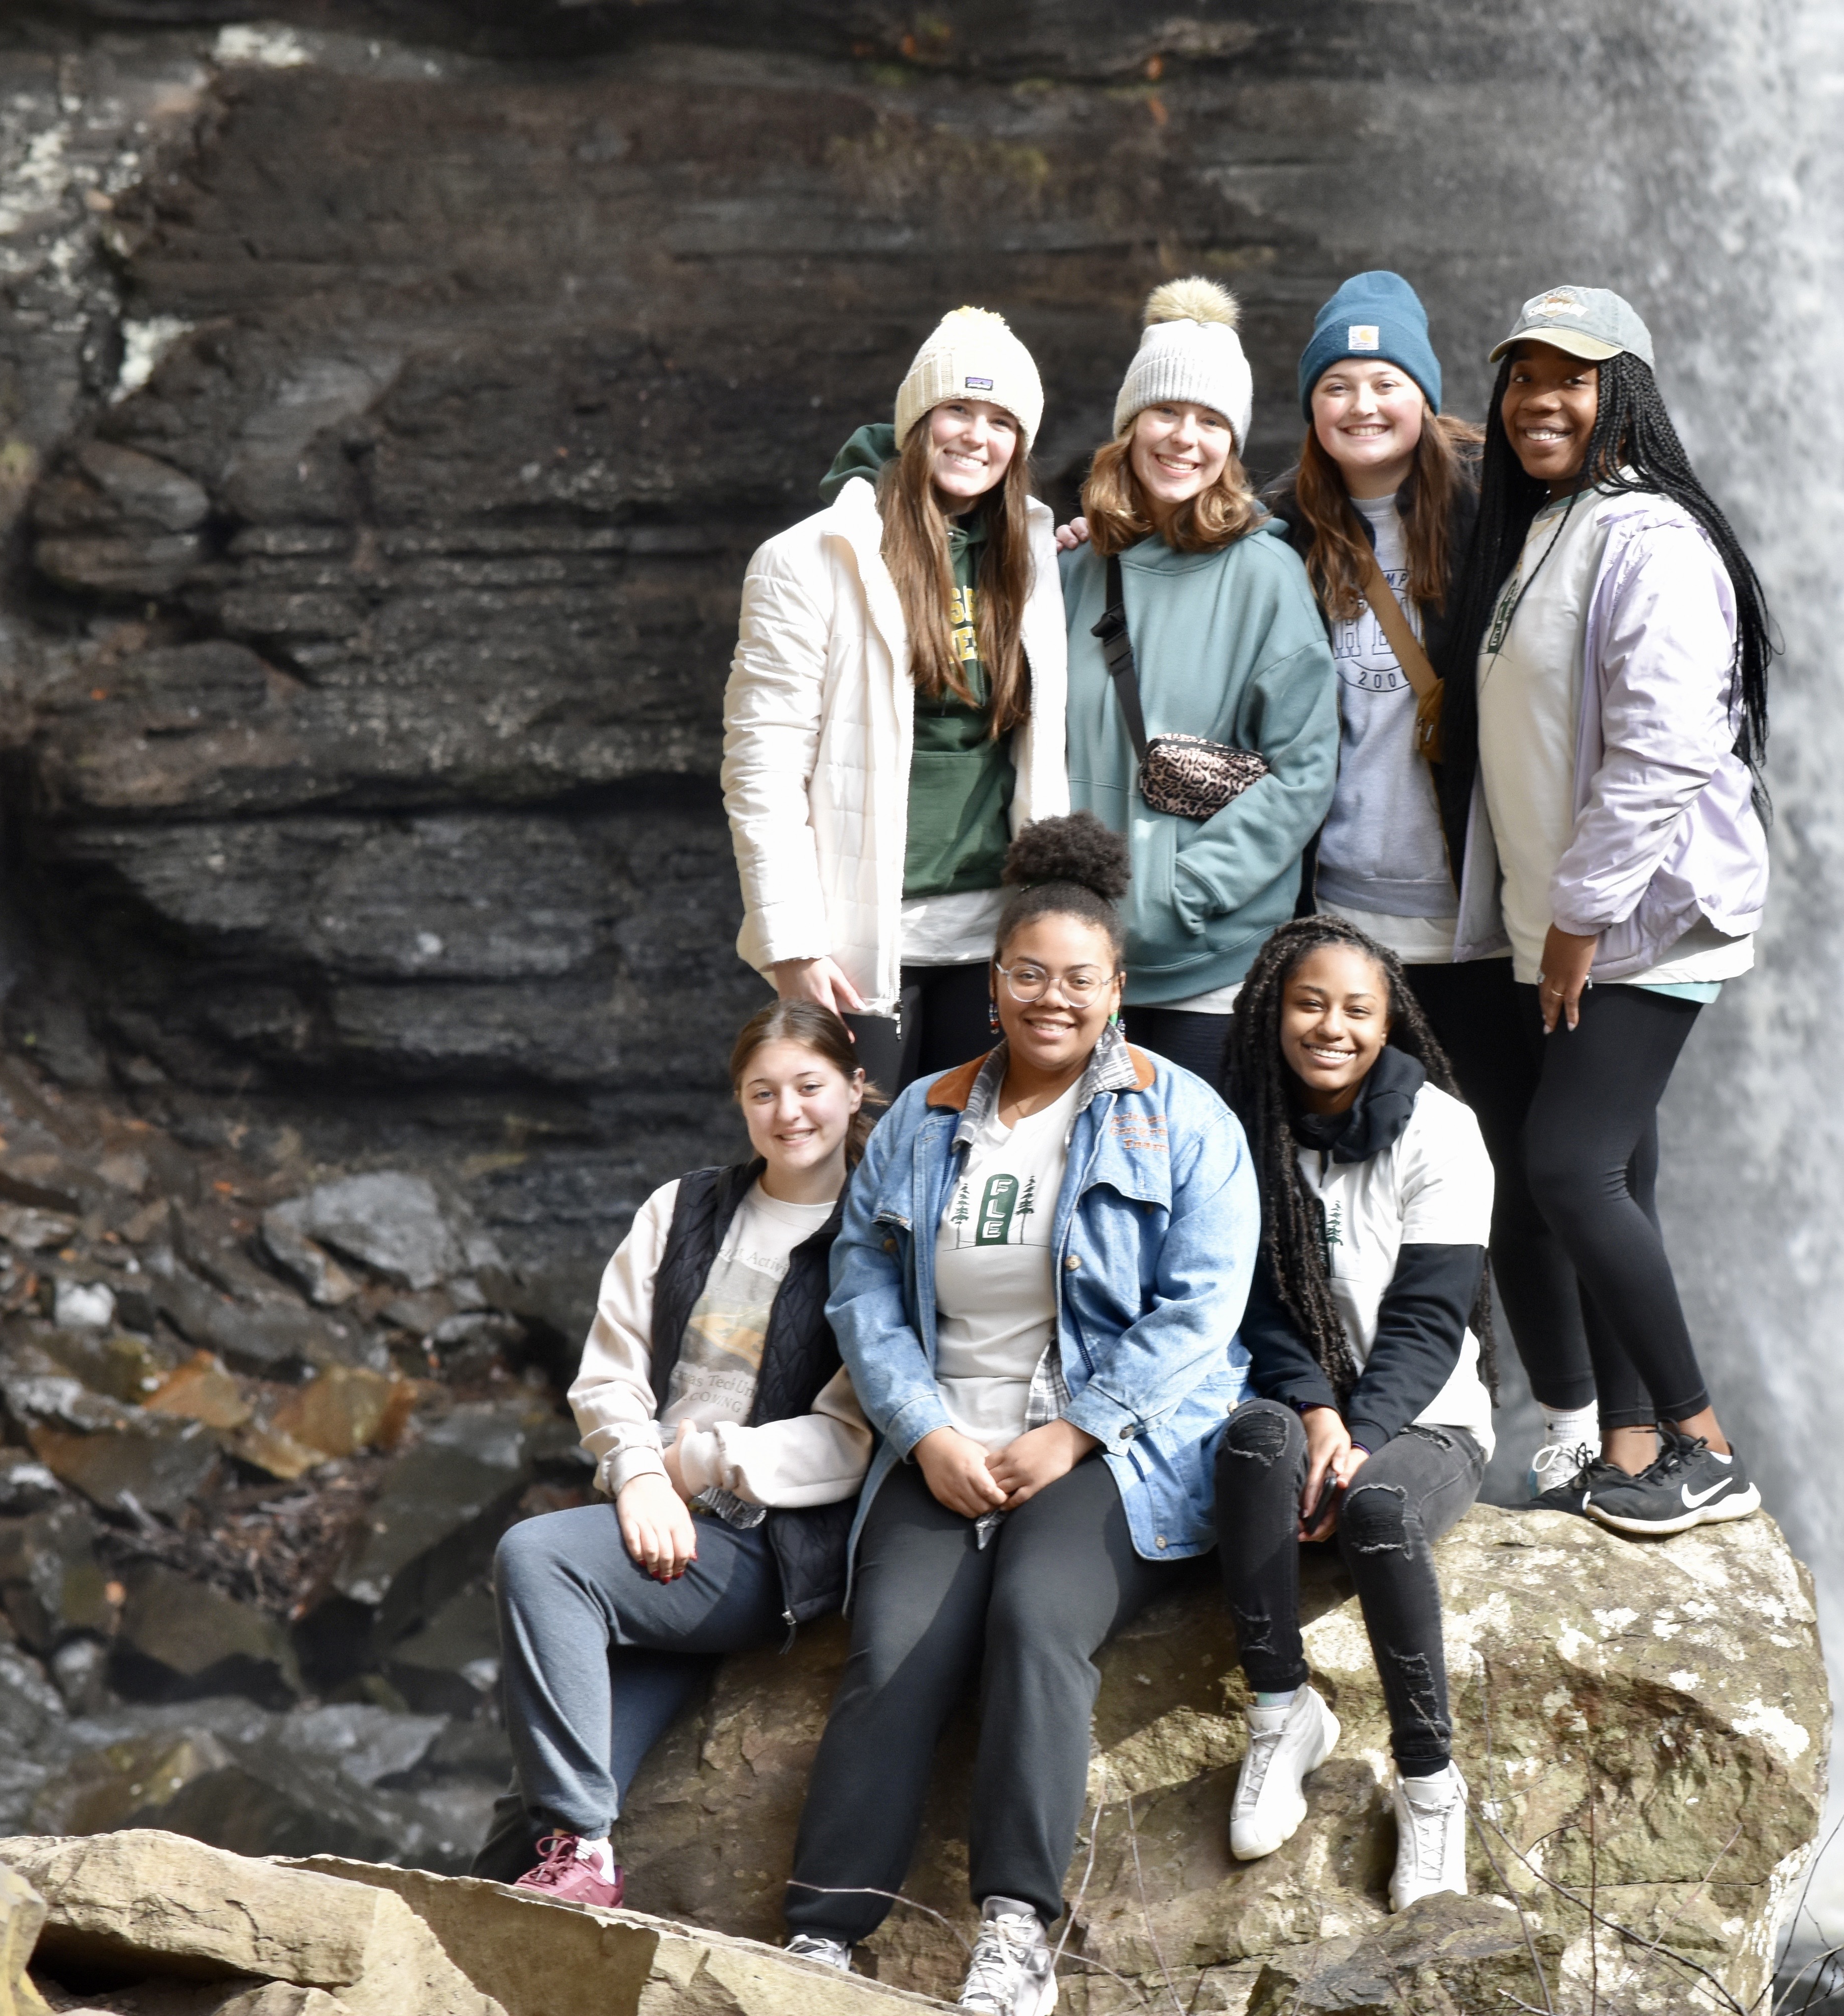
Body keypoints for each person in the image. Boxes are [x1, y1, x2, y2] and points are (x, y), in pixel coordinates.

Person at [778, 812, 1257, 2016]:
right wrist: (926, 1432)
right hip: (943, 1434)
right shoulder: (925, 1118)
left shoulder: (1186, 1116)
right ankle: (822, 1935)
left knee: (1041, 1619)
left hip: (1111, 1445)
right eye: (1029, 975)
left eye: (1078, 979)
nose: (1053, 997)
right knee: (894, 1646)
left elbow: (1202, 1311)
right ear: (993, 985)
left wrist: (1077, 1428)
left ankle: (1013, 1930)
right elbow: (863, 1289)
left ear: (1118, 990)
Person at [1437, 285, 1776, 1536]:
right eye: (1523, 377)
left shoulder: (1652, 538)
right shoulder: (1548, 527)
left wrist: (1575, 917)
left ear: (1622, 393)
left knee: (1568, 1166)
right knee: (1618, 1162)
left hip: (1643, 919)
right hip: (1566, 920)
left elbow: (1664, 749)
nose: (1541, 400)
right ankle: (1631, 1445)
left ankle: (1702, 1439)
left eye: (1572, 379)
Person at [482, 1000, 876, 1906]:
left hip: (762, 1549)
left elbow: (850, 1438)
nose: (789, 1112)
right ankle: (550, 1868)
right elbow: (610, 1374)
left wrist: (699, 1467)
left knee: (537, 1556)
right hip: (653, 1536)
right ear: (740, 1102)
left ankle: (585, 1849)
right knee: (524, 1816)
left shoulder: (876, 1234)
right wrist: (639, 1473)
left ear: (853, 1090)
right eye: (763, 1093)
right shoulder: (684, 1208)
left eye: (810, 1087)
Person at [1211, 916, 1494, 1910]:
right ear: (1275, 1011)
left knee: (1380, 1509)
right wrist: (1318, 1413)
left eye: (1356, 1009)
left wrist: (1362, 1432)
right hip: (1303, 1399)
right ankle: (1282, 1710)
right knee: (1251, 1442)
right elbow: (1260, 1300)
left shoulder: (1442, 1130)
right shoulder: (1247, 1122)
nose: (1330, 1025)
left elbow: (1428, 1321)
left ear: (1388, 1023)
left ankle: (1429, 1786)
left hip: (1429, 1417)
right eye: (1309, 1002)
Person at [726, 307, 1071, 1095]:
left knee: (969, 1180)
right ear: (917, 418)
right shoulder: (810, 559)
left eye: (1000, 421)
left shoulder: (1036, 560)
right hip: (857, 946)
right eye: (957, 409)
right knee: (850, 1173)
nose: (975, 437)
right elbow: (761, 769)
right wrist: (791, 945)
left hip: (995, 940)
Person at [1058, 276, 1338, 1087]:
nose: (1185, 438)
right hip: (1068, 967)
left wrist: (1184, 889)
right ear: (1129, 424)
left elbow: (1305, 768)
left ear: (1233, 444)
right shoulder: (1072, 569)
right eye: (1167, 412)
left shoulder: (1266, 574)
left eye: (1212, 421)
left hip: (1207, 967)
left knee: (1193, 1198)